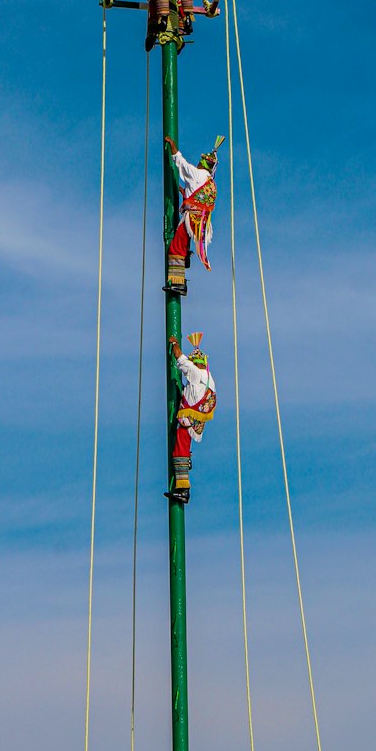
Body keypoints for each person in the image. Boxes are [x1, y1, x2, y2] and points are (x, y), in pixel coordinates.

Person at [163, 134, 224, 294]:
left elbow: (180, 162)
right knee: (182, 243)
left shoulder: (198, 174)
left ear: (202, 163)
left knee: (175, 248)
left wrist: (173, 146)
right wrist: (185, 194)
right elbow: (197, 197)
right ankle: (186, 260)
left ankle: (177, 283)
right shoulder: (210, 182)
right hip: (201, 221)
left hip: (192, 219)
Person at [168, 333, 216, 500]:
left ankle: (183, 489)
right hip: (196, 423)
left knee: (178, 452)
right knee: (183, 449)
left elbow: (179, 357)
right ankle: (188, 460)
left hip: (187, 422)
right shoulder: (210, 379)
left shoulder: (195, 374)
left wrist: (174, 342)